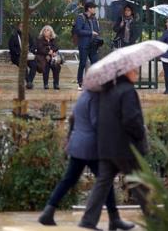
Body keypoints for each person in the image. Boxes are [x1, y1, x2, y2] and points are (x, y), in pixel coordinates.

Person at [38, 90, 134, 230]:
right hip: (90, 147)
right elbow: (97, 123)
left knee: (69, 179)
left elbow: (74, 118)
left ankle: (48, 211)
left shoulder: (84, 95)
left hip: (78, 144)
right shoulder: (95, 98)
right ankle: (114, 218)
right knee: (104, 180)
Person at [79, 69, 149, 230]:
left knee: (102, 183)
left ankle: (88, 219)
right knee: (139, 182)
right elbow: (131, 119)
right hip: (125, 148)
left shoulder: (107, 91)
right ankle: (154, 218)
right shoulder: (128, 91)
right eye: (134, 70)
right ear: (126, 73)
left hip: (106, 146)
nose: (136, 72)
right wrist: (140, 133)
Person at [74, 2, 101, 91]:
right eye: (93, 8)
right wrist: (90, 33)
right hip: (84, 45)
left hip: (93, 45)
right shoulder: (80, 17)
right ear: (89, 9)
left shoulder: (94, 19)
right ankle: (80, 83)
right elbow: (78, 31)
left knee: (95, 64)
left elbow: (97, 31)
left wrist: (98, 39)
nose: (94, 9)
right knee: (82, 63)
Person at [8, 22, 37, 89]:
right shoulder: (14, 35)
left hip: (28, 55)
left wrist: (30, 50)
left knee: (34, 65)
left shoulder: (28, 35)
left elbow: (33, 45)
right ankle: (29, 82)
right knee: (23, 65)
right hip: (17, 56)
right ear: (18, 27)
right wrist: (19, 53)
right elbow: (11, 47)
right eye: (21, 26)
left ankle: (29, 82)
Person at [35, 25, 61, 90]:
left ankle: (56, 84)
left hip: (52, 57)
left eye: (48, 30)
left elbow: (56, 47)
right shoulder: (40, 39)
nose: (46, 31)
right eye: (45, 30)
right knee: (46, 66)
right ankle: (46, 84)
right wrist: (48, 52)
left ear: (51, 32)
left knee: (56, 66)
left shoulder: (53, 39)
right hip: (43, 57)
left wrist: (52, 51)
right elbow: (40, 48)